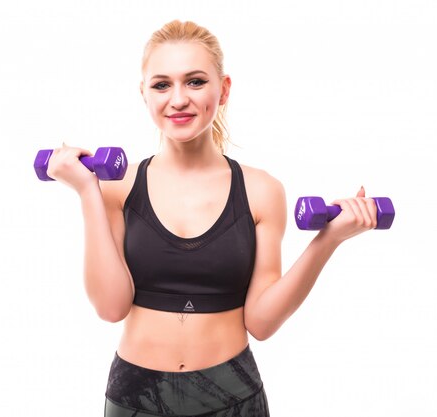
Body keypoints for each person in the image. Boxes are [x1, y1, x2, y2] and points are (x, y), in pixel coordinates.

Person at [45, 20, 378, 417]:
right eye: (162, 84)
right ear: (144, 94)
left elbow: (262, 322)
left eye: (196, 81)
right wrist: (87, 192)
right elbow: (110, 307)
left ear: (224, 90)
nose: (178, 99)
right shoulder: (118, 185)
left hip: (231, 392)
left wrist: (329, 240)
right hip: (136, 394)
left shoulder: (260, 191)